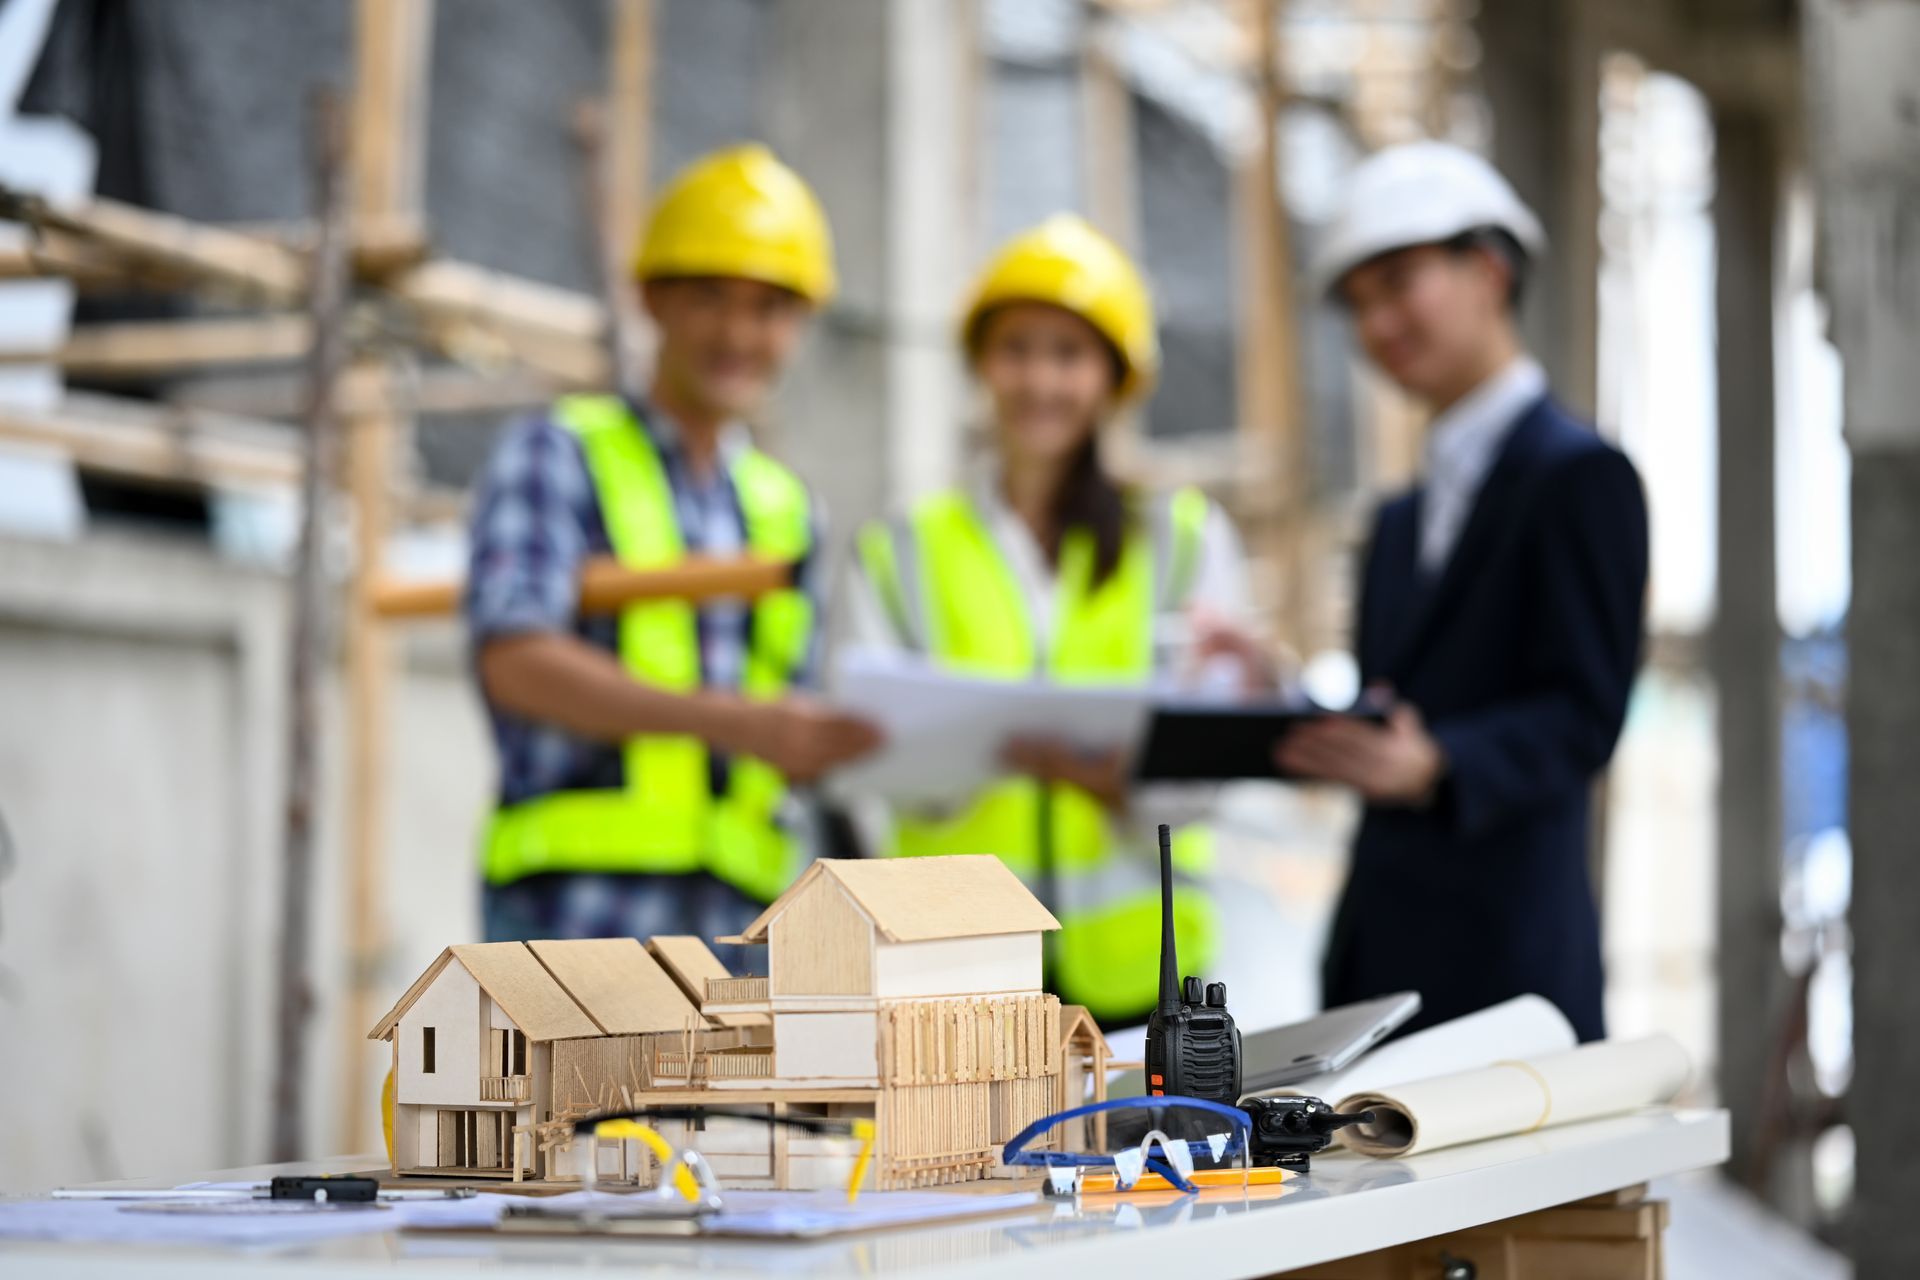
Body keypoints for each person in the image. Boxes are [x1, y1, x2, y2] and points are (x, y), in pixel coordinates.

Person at [850, 215, 1272, 1027]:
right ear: (982, 364)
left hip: (1145, 974)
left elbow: (1212, 768)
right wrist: (968, 756)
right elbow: (863, 755)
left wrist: (1108, 778)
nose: (1040, 380)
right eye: (1018, 349)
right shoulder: (902, 547)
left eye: (1068, 354)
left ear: (1113, 377)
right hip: (957, 969)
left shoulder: (1182, 540)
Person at [466, 144, 881, 952]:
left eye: (768, 308)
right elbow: (513, 659)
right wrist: (731, 722)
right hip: (572, 931)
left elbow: (784, 736)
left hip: (742, 939)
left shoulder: (788, 511)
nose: (738, 331)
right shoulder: (556, 453)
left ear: (797, 326)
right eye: (710, 298)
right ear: (653, 299)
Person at [1278, 143, 1649, 1042]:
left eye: (1398, 283)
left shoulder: (1581, 477)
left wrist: (1442, 763)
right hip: (1379, 961)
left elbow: (1584, 714)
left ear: (1488, 269)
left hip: (1510, 965)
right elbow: (1394, 707)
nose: (1377, 324)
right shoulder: (1400, 517)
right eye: (1358, 304)